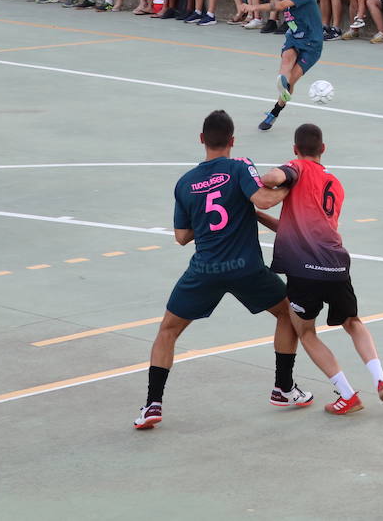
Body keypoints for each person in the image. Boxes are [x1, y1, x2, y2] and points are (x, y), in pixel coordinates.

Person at [132, 109, 311, 430]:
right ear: (232, 140)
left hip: (205, 270)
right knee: (287, 314)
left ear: (202, 140)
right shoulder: (239, 166)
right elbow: (264, 200)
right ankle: (283, 388)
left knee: (168, 330)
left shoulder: (185, 182)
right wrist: (293, 184)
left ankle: (152, 405)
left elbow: (182, 237)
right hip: (246, 268)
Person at [254, 123, 383, 415]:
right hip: (336, 264)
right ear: (323, 149)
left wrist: (257, 186)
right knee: (353, 322)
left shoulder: (296, 168)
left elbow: (274, 177)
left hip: (303, 271)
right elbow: (300, 229)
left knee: (305, 331)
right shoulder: (335, 184)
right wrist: (260, 218)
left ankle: (347, 394)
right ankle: (382, 381)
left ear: (295, 150)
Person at [242, 0, 324, 132]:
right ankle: (282, 82)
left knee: (292, 80)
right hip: (294, 38)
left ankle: (275, 111)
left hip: (312, 45)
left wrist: (254, 8)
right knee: (287, 58)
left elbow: (280, 6)